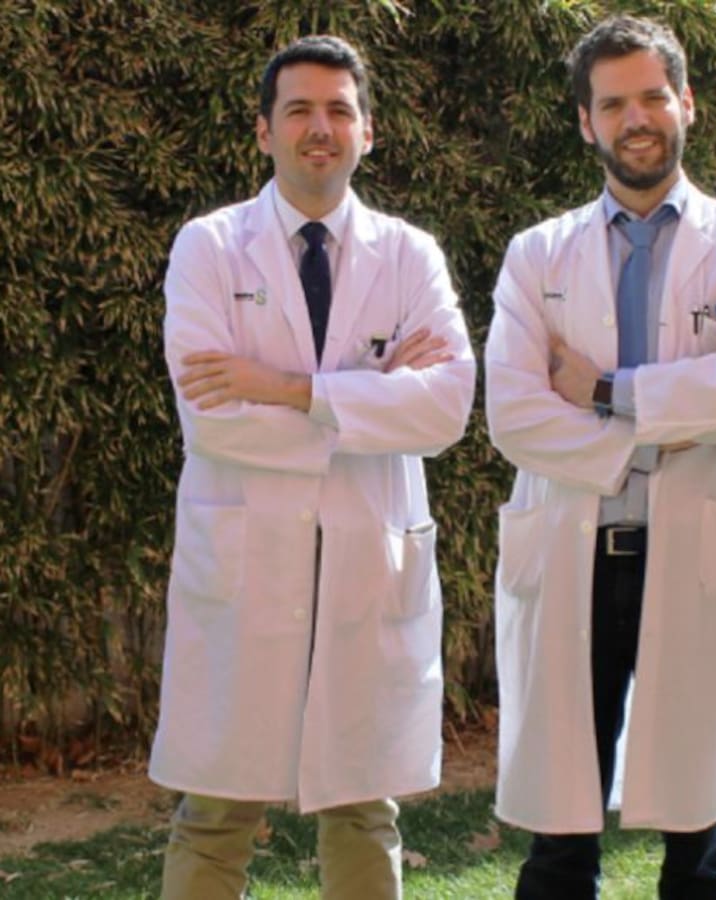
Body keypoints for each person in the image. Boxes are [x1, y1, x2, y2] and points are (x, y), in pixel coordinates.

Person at [149, 35, 475, 899]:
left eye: (339, 110)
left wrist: (286, 388)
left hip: (367, 559)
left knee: (362, 805)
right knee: (214, 809)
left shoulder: (410, 254)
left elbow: (445, 409)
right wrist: (373, 397)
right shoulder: (209, 248)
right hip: (248, 565)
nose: (319, 128)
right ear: (265, 131)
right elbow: (213, 422)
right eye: (298, 110)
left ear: (368, 131)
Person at [484, 15, 716, 900]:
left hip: (696, 558)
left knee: (699, 842)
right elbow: (513, 416)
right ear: (586, 122)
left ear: (687, 103)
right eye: (614, 103)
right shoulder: (536, 254)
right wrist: (677, 417)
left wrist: (601, 390)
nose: (637, 118)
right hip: (575, 555)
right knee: (559, 839)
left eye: (654, 96)